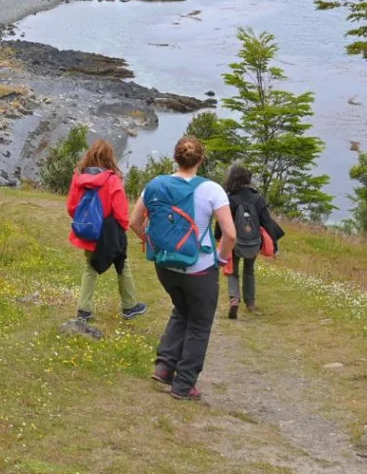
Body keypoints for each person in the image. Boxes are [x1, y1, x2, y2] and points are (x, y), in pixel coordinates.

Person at [132, 136, 236, 401]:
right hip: (199, 269)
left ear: (175, 157)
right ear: (201, 159)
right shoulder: (211, 190)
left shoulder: (155, 184)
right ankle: (184, 384)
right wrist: (221, 261)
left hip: (165, 266)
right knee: (200, 323)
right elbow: (230, 234)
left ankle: (165, 367)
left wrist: (152, 242)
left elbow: (134, 222)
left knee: (181, 309)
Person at [66, 139, 147, 323]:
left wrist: (87, 222)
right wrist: (121, 229)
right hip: (110, 231)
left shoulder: (78, 177)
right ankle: (130, 305)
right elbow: (120, 212)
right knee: (122, 265)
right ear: (110, 158)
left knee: (90, 267)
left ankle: (83, 310)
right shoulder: (112, 180)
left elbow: (72, 207)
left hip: (89, 232)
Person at [221, 164, 285, 319]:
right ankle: (250, 303)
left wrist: (219, 237)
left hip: (235, 242)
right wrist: (274, 246)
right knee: (249, 270)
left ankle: (234, 299)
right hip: (253, 243)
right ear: (248, 180)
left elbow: (222, 222)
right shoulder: (257, 198)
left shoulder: (230, 199)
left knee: (233, 271)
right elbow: (267, 223)